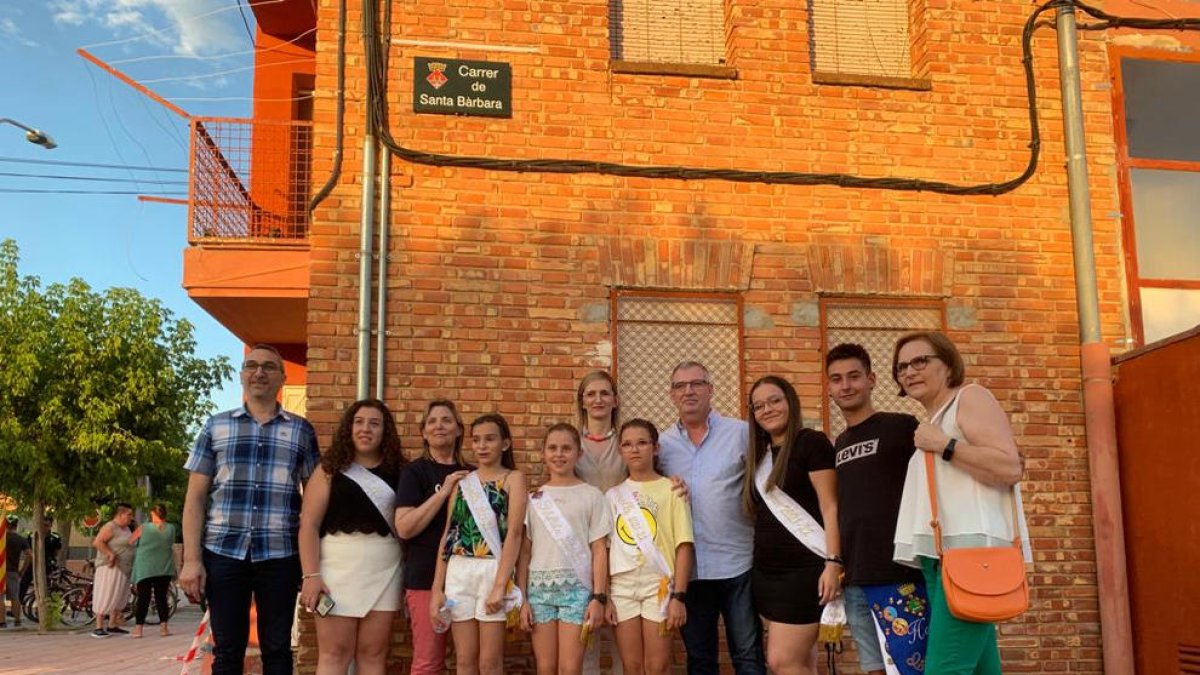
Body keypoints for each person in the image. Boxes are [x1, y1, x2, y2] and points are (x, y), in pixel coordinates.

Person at [891, 331, 1030, 675]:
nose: (910, 371)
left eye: (921, 361)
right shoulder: (933, 422)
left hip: (972, 556)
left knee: (945, 669)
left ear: (948, 363)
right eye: (902, 366)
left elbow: (1009, 466)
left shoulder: (969, 398)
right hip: (943, 559)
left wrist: (944, 445)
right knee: (981, 669)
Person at [180, 343, 320, 674]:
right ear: (242, 375)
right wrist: (191, 560)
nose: (260, 372)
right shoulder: (216, 426)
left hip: (280, 554)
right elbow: (195, 499)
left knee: (277, 648)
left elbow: (315, 499)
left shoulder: (301, 430)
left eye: (269, 367)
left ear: (282, 378)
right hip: (223, 552)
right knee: (227, 650)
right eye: (252, 366)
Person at [826, 343, 928, 675]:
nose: (846, 385)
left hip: (899, 573)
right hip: (855, 578)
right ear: (829, 387)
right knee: (873, 669)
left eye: (854, 376)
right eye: (837, 379)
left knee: (914, 668)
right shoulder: (838, 444)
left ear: (871, 380)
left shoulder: (901, 426)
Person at [657, 361, 764, 675]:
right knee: (701, 661)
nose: (688, 391)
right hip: (690, 573)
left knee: (748, 657)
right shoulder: (661, 446)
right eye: (680, 386)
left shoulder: (742, 433)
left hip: (738, 564)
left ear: (710, 390)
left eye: (696, 383)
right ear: (672, 395)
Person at [299, 399, 407, 675]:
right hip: (334, 574)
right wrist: (311, 576)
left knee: (373, 653)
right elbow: (309, 524)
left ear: (386, 431)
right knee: (335, 654)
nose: (365, 429)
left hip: (387, 572)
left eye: (374, 423)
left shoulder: (401, 472)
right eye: (358, 422)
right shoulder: (329, 470)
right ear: (348, 428)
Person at [742, 376, 840, 675]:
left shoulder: (811, 442)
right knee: (800, 663)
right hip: (767, 574)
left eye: (775, 400)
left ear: (790, 402)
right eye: (759, 406)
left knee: (781, 662)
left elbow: (831, 505)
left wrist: (833, 562)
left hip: (803, 572)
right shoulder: (759, 456)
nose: (767, 409)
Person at [430, 413, 528, 675]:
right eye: (476, 440)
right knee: (464, 661)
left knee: (490, 662)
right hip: (459, 571)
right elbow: (448, 536)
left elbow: (515, 534)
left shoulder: (513, 479)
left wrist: (500, 585)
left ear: (505, 444)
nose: (482, 446)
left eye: (490, 439)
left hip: (493, 568)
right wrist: (436, 588)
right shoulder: (463, 483)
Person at [517, 423, 610, 675]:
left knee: (570, 668)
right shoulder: (534, 499)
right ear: (543, 453)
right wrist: (522, 599)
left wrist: (599, 597)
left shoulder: (592, 496)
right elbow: (525, 552)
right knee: (545, 668)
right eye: (553, 448)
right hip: (539, 591)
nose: (559, 454)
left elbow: (599, 549)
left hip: (577, 592)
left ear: (579, 454)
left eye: (566, 448)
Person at [605, 419, 694, 675]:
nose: (635, 449)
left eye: (642, 443)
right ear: (620, 451)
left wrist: (679, 596)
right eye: (627, 444)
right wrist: (607, 597)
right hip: (622, 586)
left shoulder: (673, 490)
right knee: (631, 667)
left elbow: (684, 546)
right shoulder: (612, 496)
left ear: (655, 448)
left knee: (658, 666)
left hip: (659, 585)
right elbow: (606, 549)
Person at [396, 399, 472, 675]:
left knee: (470, 662)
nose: (439, 426)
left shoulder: (474, 474)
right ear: (423, 432)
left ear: (459, 430)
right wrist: (443, 492)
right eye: (432, 421)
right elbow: (404, 527)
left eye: (446, 420)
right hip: (426, 578)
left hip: (469, 580)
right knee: (429, 663)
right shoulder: (414, 472)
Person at [130, 504, 178, 638]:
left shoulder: (144, 527)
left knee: (143, 598)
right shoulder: (171, 528)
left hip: (145, 567)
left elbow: (130, 541)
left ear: (153, 514)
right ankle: (164, 628)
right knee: (161, 598)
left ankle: (138, 629)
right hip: (164, 567)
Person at [91, 503, 136, 638]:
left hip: (124, 567)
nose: (131, 518)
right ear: (120, 514)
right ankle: (98, 626)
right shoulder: (110, 527)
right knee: (106, 593)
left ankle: (113, 624)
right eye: (129, 515)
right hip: (110, 566)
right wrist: (110, 553)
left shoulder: (127, 528)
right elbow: (98, 542)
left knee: (119, 595)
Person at [3, 515, 27, 629]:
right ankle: (17, 621)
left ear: (5, 524)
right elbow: (30, 555)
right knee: (15, 597)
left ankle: (2, 622)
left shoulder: (1, 538)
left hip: (1, 571)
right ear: (16, 525)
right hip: (13, 571)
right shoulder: (20, 539)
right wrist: (22, 570)